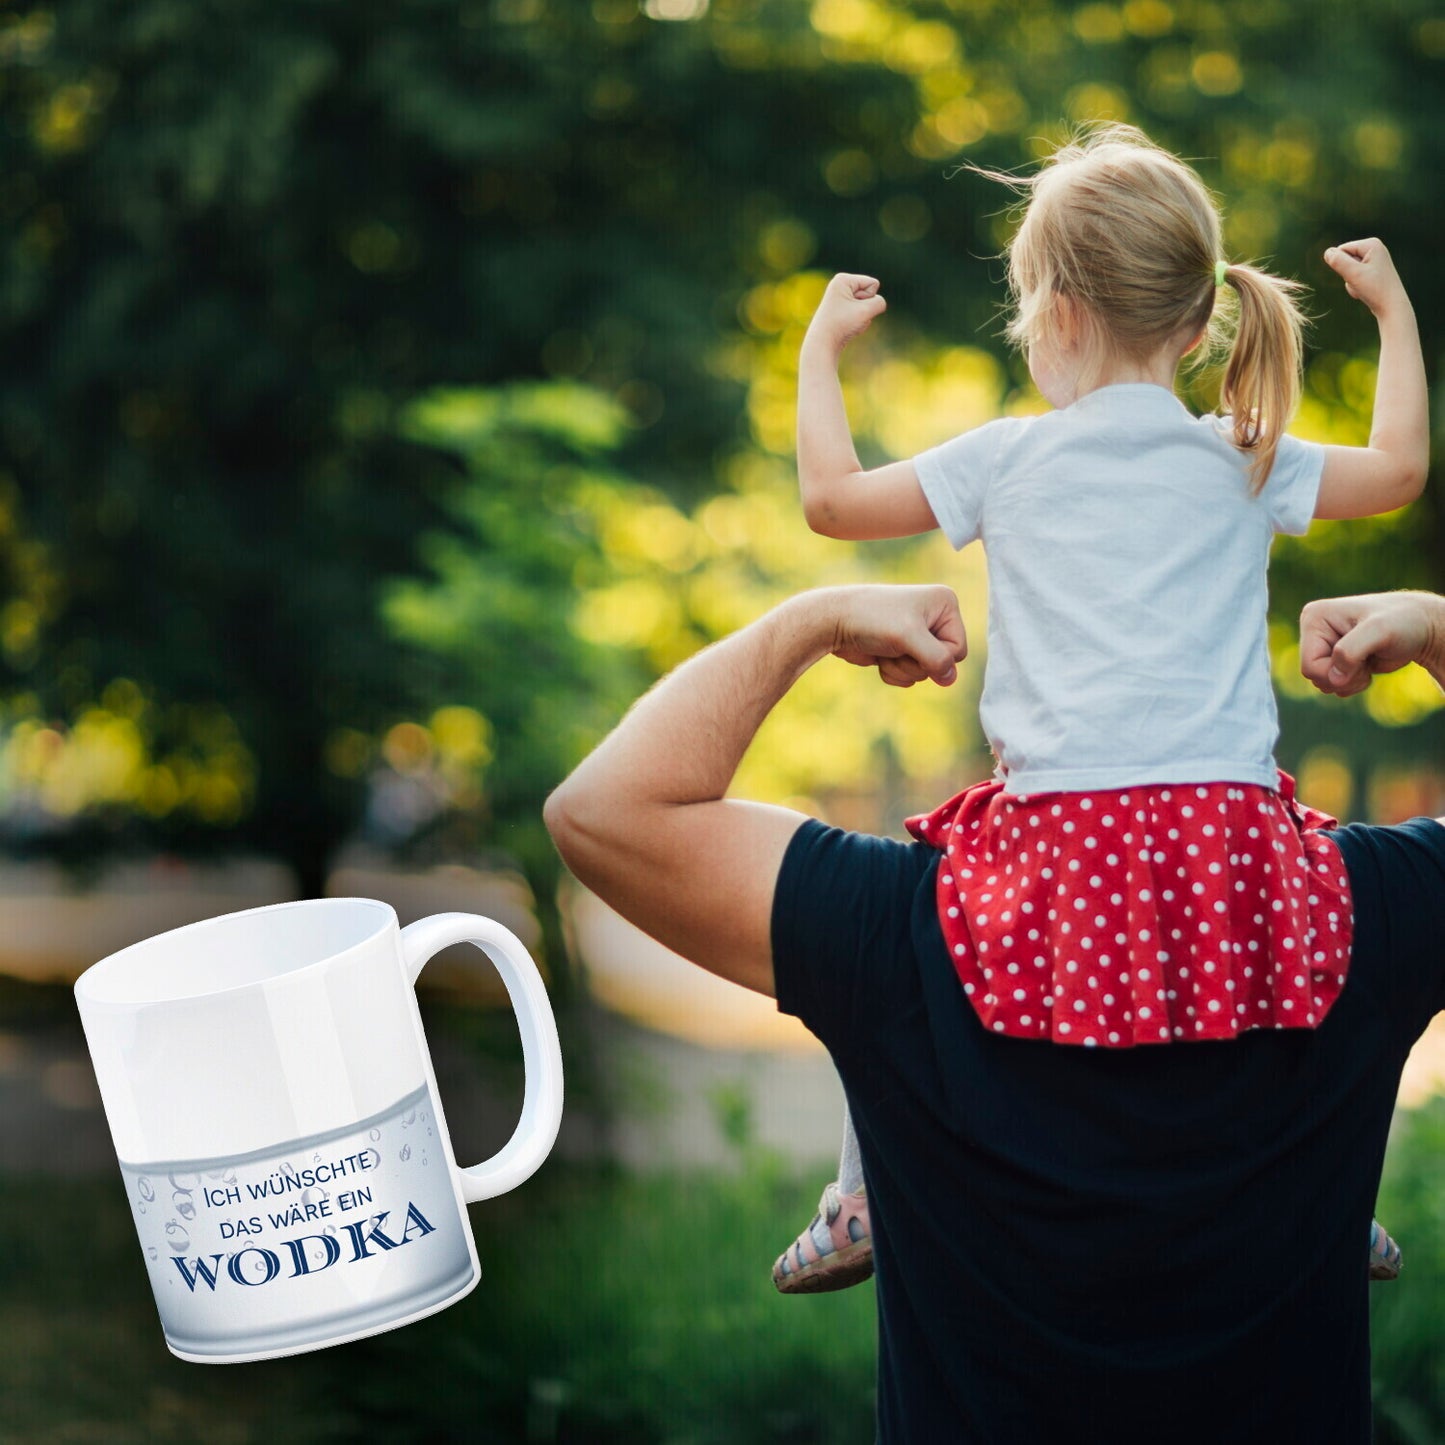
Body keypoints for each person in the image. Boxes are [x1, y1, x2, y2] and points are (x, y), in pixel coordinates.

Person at [544, 583, 1445, 1443]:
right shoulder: (1355, 910)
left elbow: (603, 811)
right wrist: (1437, 629)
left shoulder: (904, 923)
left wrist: (808, 624)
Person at [777, 123, 1426, 1292]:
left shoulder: (1004, 459)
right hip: (1226, 830)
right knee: (1322, 950)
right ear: (1195, 322)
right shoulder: (1244, 451)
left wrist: (817, 349)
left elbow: (829, 500)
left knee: (890, 939)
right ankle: (1338, 1196)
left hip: (1056, 835)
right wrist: (1392, 317)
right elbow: (1397, 468)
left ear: (1054, 316)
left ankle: (861, 1197)